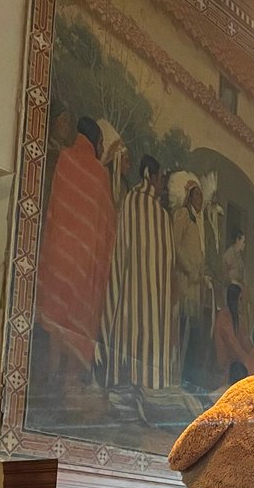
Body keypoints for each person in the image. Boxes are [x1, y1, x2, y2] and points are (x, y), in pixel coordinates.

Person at [36, 115, 117, 387]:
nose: (102, 147)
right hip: (83, 262)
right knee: (77, 320)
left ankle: (52, 374)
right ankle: (68, 380)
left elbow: (54, 207)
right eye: (101, 142)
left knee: (57, 317)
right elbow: (107, 223)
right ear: (95, 140)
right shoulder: (100, 173)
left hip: (59, 255)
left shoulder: (65, 158)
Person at [99, 154, 178, 394]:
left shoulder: (131, 202)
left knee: (131, 332)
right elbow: (168, 261)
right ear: (151, 177)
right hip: (149, 297)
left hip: (131, 292)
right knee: (145, 333)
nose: (161, 184)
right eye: (160, 178)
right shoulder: (159, 214)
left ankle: (129, 384)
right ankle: (144, 383)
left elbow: (123, 249)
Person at [169, 172, 209, 388]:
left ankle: (188, 378)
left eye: (202, 196)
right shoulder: (183, 215)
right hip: (184, 283)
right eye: (197, 195)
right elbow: (175, 245)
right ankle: (178, 376)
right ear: (189, 197)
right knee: (182, 329)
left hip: (195, 286)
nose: (200, 200)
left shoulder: (198, 221)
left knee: (192, 331)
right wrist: (190, 269)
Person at [212, 283, 254, 382]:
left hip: (238, 364)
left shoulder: (237, 319)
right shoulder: (224, 317)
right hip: (227, 369)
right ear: (234, 300)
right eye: (240, 299)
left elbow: (245, 341)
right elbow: (233, 343)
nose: (243, 303)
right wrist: (248, 362)